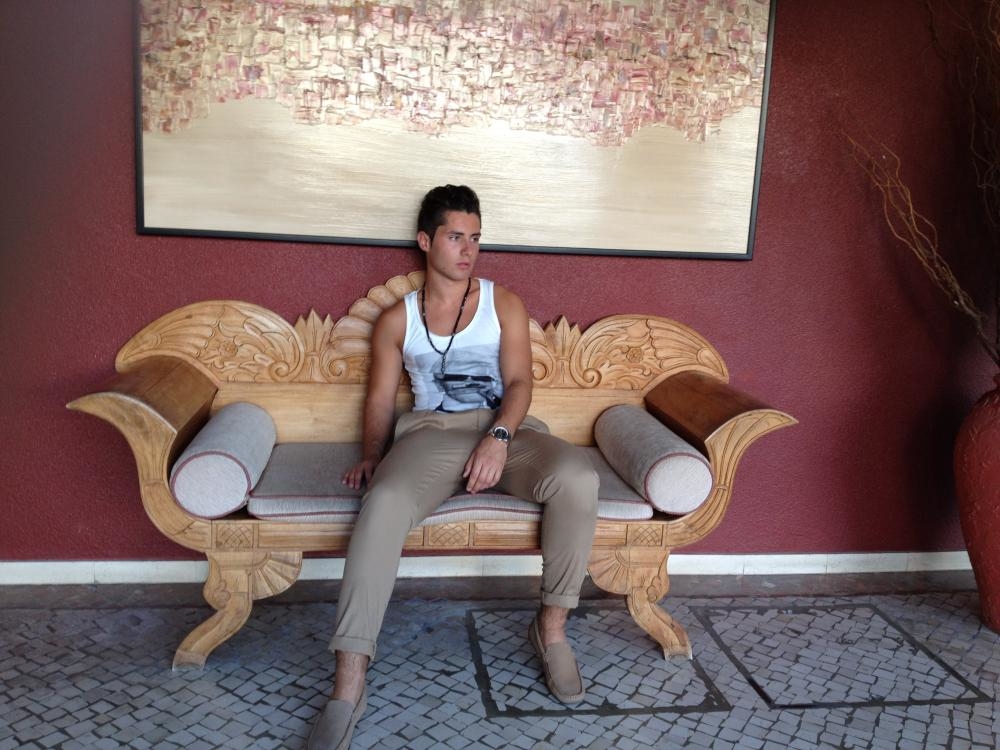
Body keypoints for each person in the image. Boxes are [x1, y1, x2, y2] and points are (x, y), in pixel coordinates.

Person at [308, 185, 599, 750]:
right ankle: (348, 682)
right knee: (383, 502)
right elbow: (379, 400)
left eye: (476, 238)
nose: (469, 250)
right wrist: (372, 455)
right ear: (426, 241)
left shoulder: (502, 303)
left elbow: (521, 383)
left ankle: (552, 631)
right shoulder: (397, 319)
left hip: (506, 432)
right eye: (456, 237)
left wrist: (498, 437)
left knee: (577, 477)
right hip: (430, 435)